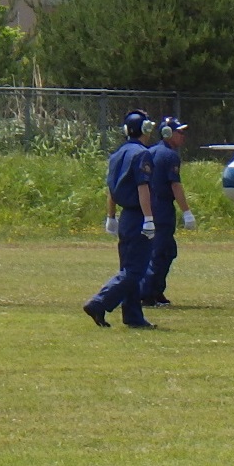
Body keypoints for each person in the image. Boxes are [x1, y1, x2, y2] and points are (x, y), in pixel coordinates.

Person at [83, 110, 157, 328]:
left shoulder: (116, 155)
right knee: (135, 270)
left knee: (129, 268)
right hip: (137, 215)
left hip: (125, 217)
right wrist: (149, 218)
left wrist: (111, 216)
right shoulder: (142, 154)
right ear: (144, 129)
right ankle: (100, 302)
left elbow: (111, 189)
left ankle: (133, 316)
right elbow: (142, 188)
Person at [141, 115, 195, 307]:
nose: (183, 136)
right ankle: (147, 293)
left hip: (149, 205)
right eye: (179, 132)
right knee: (160, 252)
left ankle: (156, 291)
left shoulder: (149, 152)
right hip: (162, 208)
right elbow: (175, 186)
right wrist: (186, 212)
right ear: (168, 133)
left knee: (165, 251)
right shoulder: (170, 156)